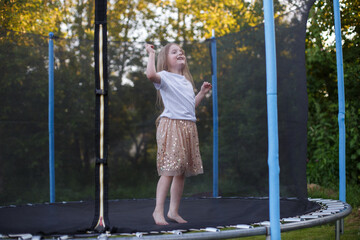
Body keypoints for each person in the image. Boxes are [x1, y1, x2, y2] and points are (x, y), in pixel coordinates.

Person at [145, 43, 212, 225]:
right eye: (174, 52)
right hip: (172, 125)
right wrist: (151, 54)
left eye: (181, 51)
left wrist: (202, 93)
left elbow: (190, 107)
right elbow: (150, 74)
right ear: (165, 61)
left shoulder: (186, 81)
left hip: (188, 127)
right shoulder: (165, 77)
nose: (180, 53)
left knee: (180, 172)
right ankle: (158, 211)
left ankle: (173, 211)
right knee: (169, 170)